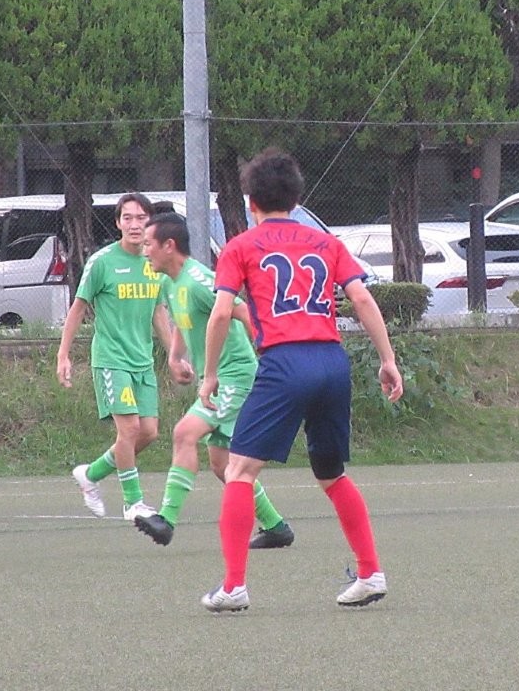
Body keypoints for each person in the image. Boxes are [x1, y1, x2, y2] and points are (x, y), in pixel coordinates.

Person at [198, 147, 403, 613]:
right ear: (296, 199)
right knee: (332, 474)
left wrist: (209, 375)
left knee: (238, 471)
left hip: (284, 363)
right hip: (332, 362)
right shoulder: (327, 243)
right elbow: (363, 300)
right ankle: (371, 572)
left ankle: (233, 586)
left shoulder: (240, 246)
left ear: (251, 202)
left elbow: (221, 313)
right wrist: (387, 359)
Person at [134, 212, 294, 549]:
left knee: (184, 433)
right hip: (220, 380)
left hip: (235, 376)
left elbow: (241, 310)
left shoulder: (198, 280)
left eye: (149, 244)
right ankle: (276, 527)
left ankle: (166, 520)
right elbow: (185, 320)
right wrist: (175, 357)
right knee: (223, 465)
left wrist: (271, 352)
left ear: (169, 245)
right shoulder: (170, 282)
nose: (144, 250)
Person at [57, 192, 171, 521]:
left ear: (150, 222)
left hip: (142, 362)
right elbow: (78, 307)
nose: (135, 225)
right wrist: (63, 355)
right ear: (118, 223)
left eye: (141, 218)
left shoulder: (155, 264)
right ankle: (133, 502)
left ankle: (91, 474)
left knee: (149, 432)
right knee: (130, 429)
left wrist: (177, 355)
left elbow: (159, 312)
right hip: (111, 360)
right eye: (128, 218)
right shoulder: (102, 262)